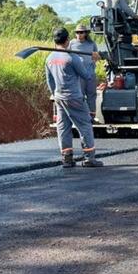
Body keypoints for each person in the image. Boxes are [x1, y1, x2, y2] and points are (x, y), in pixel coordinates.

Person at [46, 27, 103, 168]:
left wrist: (55, 94)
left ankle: (67, 159)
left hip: (59, 98)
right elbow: (86, 76)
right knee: (84, 125)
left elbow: (50, 81)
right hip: (75, 98)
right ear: (67, 41)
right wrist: (92, 62)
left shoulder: (50, 58)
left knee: (63, 127)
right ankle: (89, 158)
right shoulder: (72, 58)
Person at [69, 23, 99, 115]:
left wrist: (93, 62)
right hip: (78, 75)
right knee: (79, 95)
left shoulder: (91, 43)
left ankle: (91, 116)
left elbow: (96, 56)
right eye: (77, 32)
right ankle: (81, 115)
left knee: (91, 95)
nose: (79, 34)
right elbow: (68, 56)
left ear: (85, 33)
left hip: (90, 73)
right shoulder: (72, 43)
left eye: (81, 32)